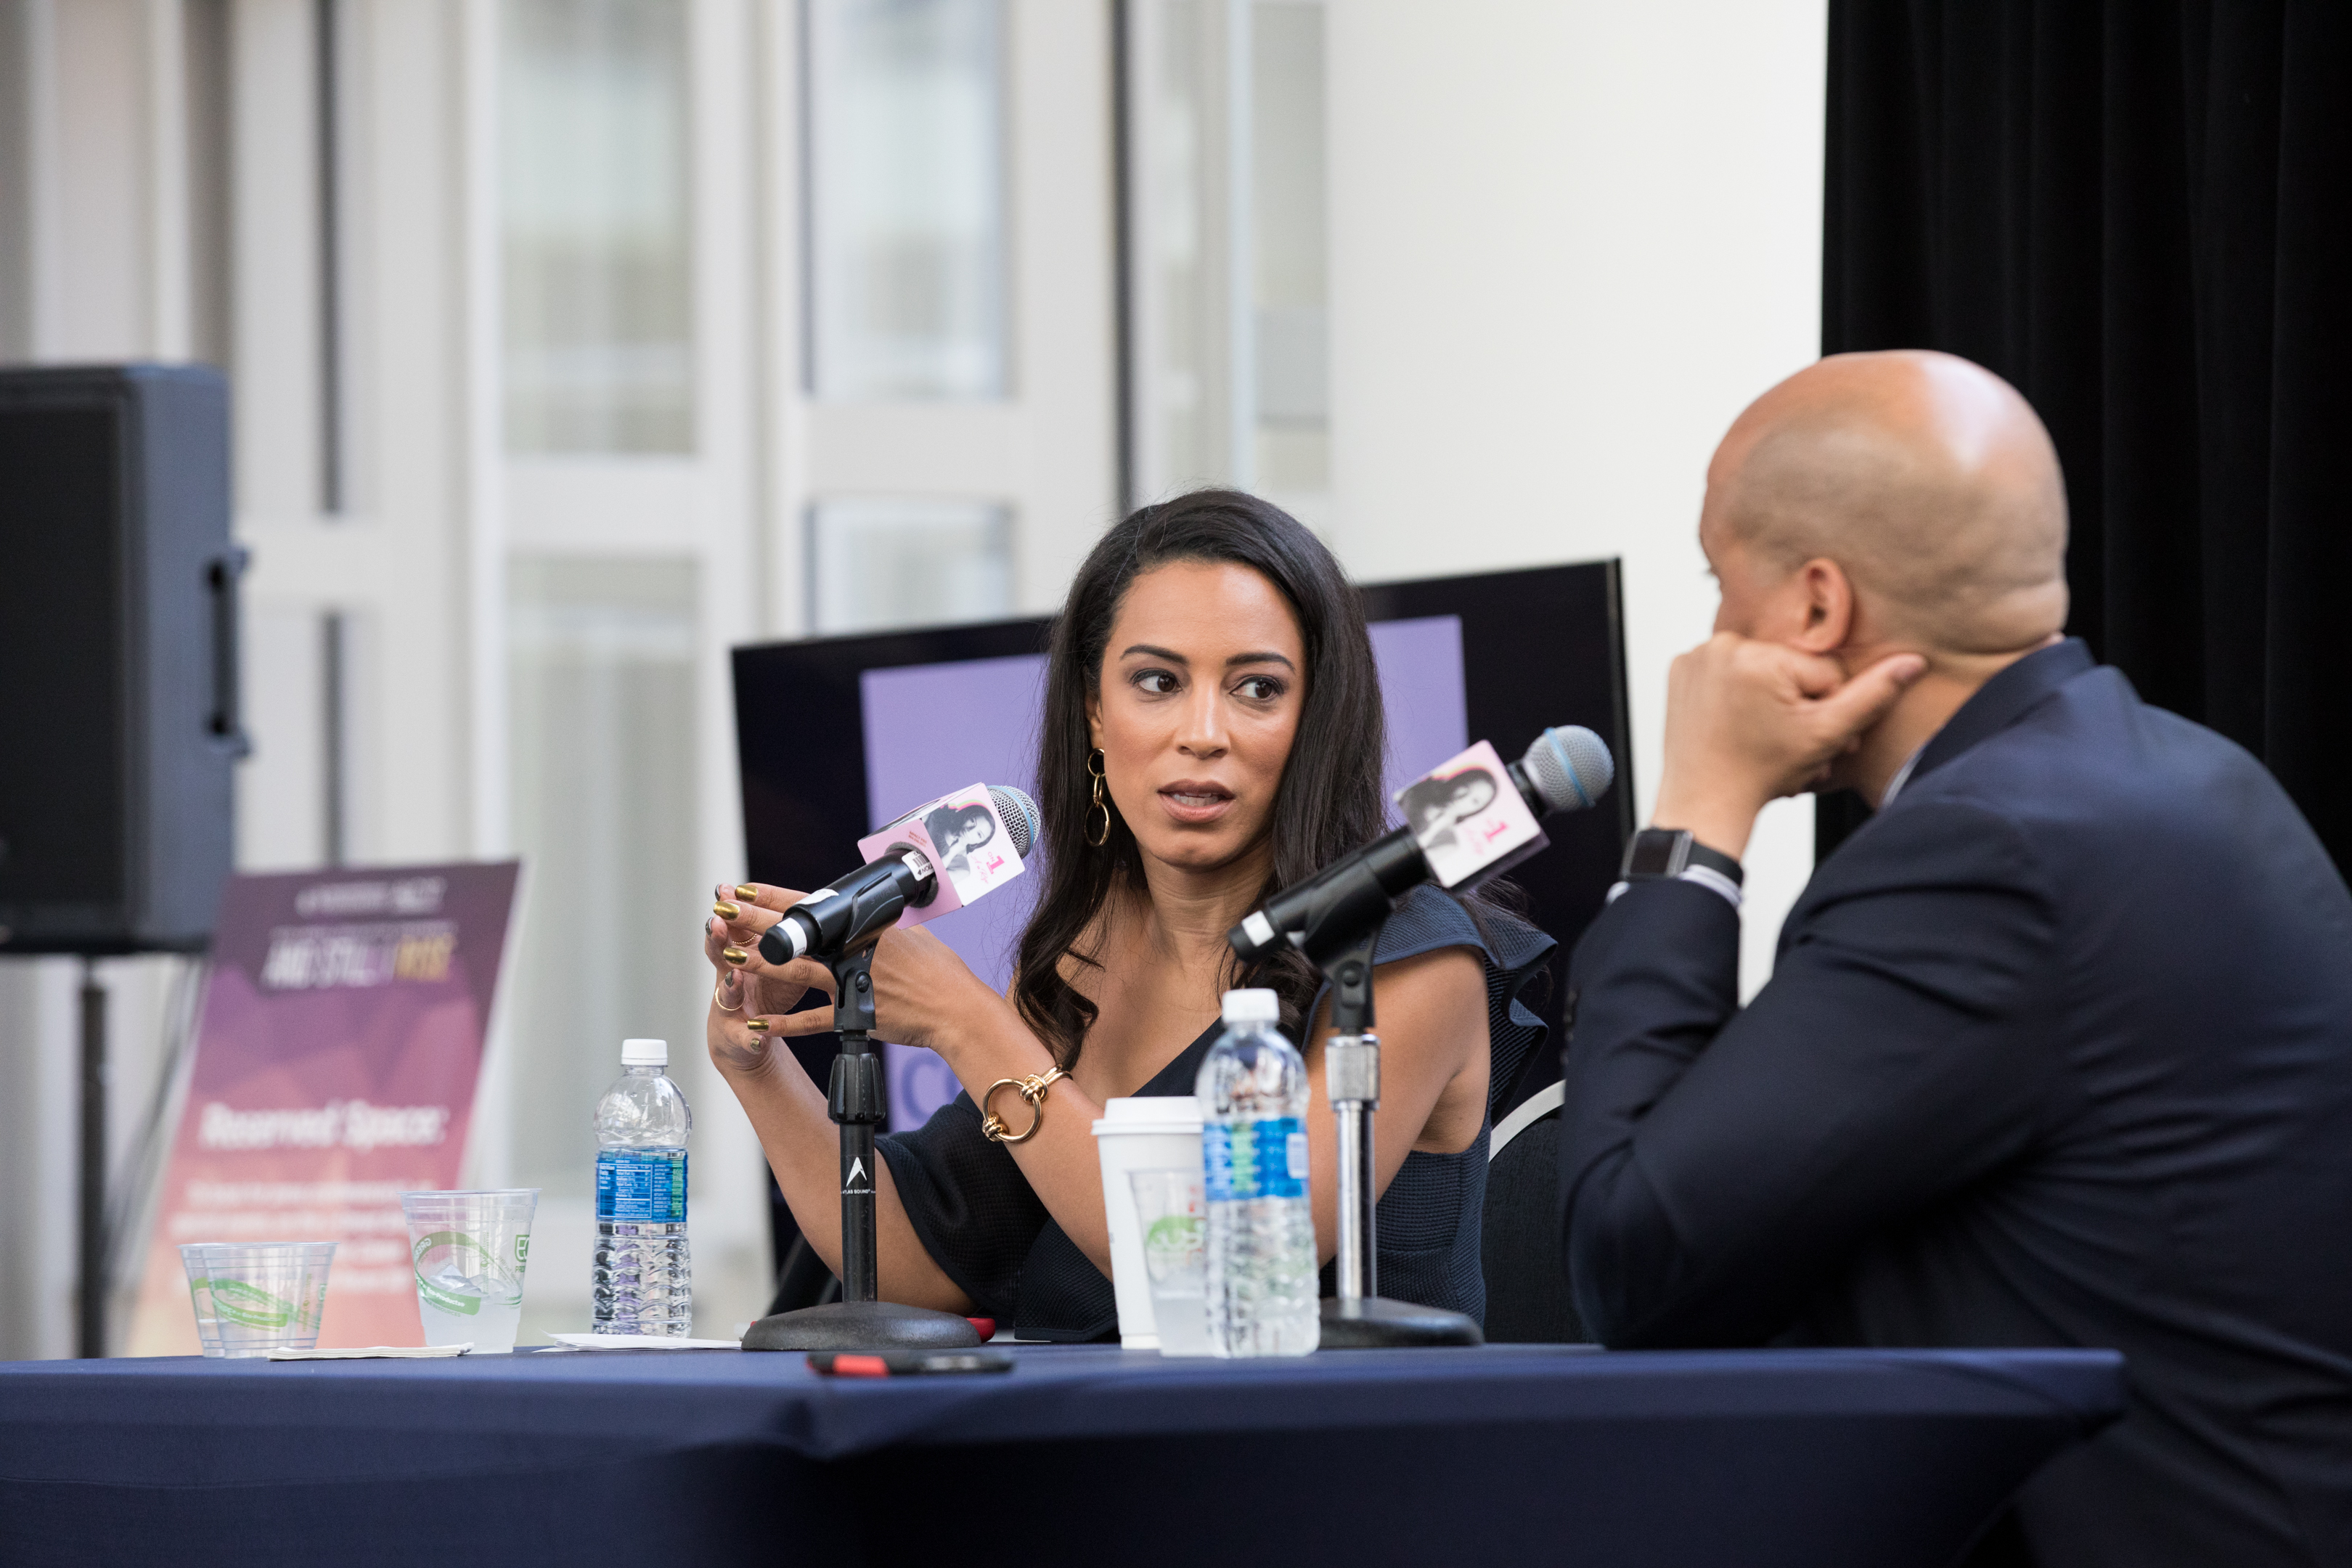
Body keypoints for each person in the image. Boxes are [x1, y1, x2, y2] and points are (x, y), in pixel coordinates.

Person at [1558, 349, 2352, 1565]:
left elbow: (1632, 1251)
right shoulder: (2186, 776)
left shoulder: (1983, 856)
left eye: (1725, 586)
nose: (1714, 632)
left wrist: (1695, 820)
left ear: (1817, 608)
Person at [709, 491, 1552, 1339]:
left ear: (1315, 722)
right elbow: (924, 1263)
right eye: (1158, 682)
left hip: (1328, 1454)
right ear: (1094, 711)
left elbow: (1235, 1263)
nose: (1203, 732)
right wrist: (756, 1065)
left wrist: (966, 1023)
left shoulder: (1412, 956)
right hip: (1099, 1442)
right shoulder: (1086, 951)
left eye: (1258, 688)